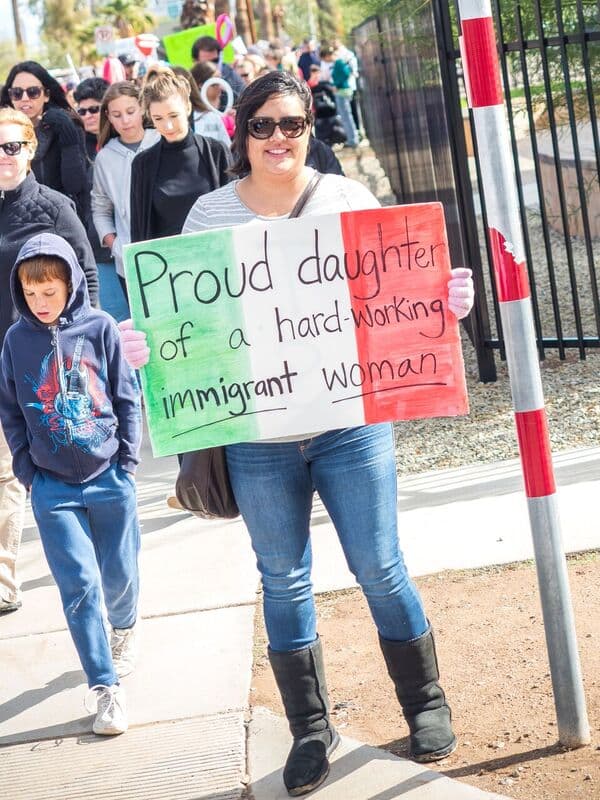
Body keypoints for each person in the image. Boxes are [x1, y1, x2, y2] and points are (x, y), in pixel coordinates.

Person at [118, 72, 475, 796]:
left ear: (311, 126)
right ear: (240, 131)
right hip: (259, 437)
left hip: (350, 425)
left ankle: (425, 701)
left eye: (293, 123)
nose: (279, 138)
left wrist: (442, 302)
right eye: (263, 126)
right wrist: (149, 345)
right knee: (282, 579)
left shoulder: (345, 198)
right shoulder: (209, 215)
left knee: (380, 565)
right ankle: (311, 728)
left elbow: (393, 295)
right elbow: (189, 328)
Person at [0, 232, 141, 735]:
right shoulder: (16, 341)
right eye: (30, 294)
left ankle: (124, 628)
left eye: (50, 293)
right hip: (53, 488)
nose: (40, 303)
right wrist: (27, 469)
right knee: (79, 586)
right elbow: (12, 411)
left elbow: (126, 394)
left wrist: (127, 459)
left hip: (109, 478)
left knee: (119, 577)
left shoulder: (99, 327)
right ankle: (104, 687)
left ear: (70, 285)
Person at [0, 108, 98, 615]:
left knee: (61, 466)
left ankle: (94, 557)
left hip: (46, 363)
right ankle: (3, 582)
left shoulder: (54, 208)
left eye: (11, 147)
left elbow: (85, 274)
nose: (3, 158)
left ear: (31, 150)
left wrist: (84, 352)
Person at [130, 66, 230, 244]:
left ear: (188, 108)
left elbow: (234, 214)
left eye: (173, 115)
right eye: (158, 118)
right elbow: (139, 231)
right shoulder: (142, 164)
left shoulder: (217, 153)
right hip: (167, 265)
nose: (167, 126)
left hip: (217, 259)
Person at [92, 82, 159, 303]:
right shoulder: (105, 157)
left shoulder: (161, 141)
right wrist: (115, 244)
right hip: (129, 262)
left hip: (170, 249)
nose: (126, 120)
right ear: (108, 117)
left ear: (142, 108)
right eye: (117, 115)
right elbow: (100, 207)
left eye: (130, 112)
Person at [1, 61, 89, 220]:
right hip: (12, 221)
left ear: (47, 95)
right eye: (17, 93)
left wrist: (67, 133)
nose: (25, 99)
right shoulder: (3, 132)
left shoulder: (66, 126)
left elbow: (75, 185)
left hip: (58, 218)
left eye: (33, 92)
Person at [73, 77, 128, 323]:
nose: (88, 116)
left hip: (137, 242)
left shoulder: (129, 141)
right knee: (118, 320)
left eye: (94, 109)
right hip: (101, 248)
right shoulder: (74, 145)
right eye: (82, 110)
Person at [174, 64, 230, 149]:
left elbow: (228, 150)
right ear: (200, 84)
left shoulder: (211, 117)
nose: (220, 87)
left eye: (221, 81)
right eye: (215, 83)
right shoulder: (158, 121)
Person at [191, 35, 246, 99]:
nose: (212, 65)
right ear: (195, 62)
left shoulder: (230, 75)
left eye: (215, 61)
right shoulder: (188, 84)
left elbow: (245, 98)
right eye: (207, 63)